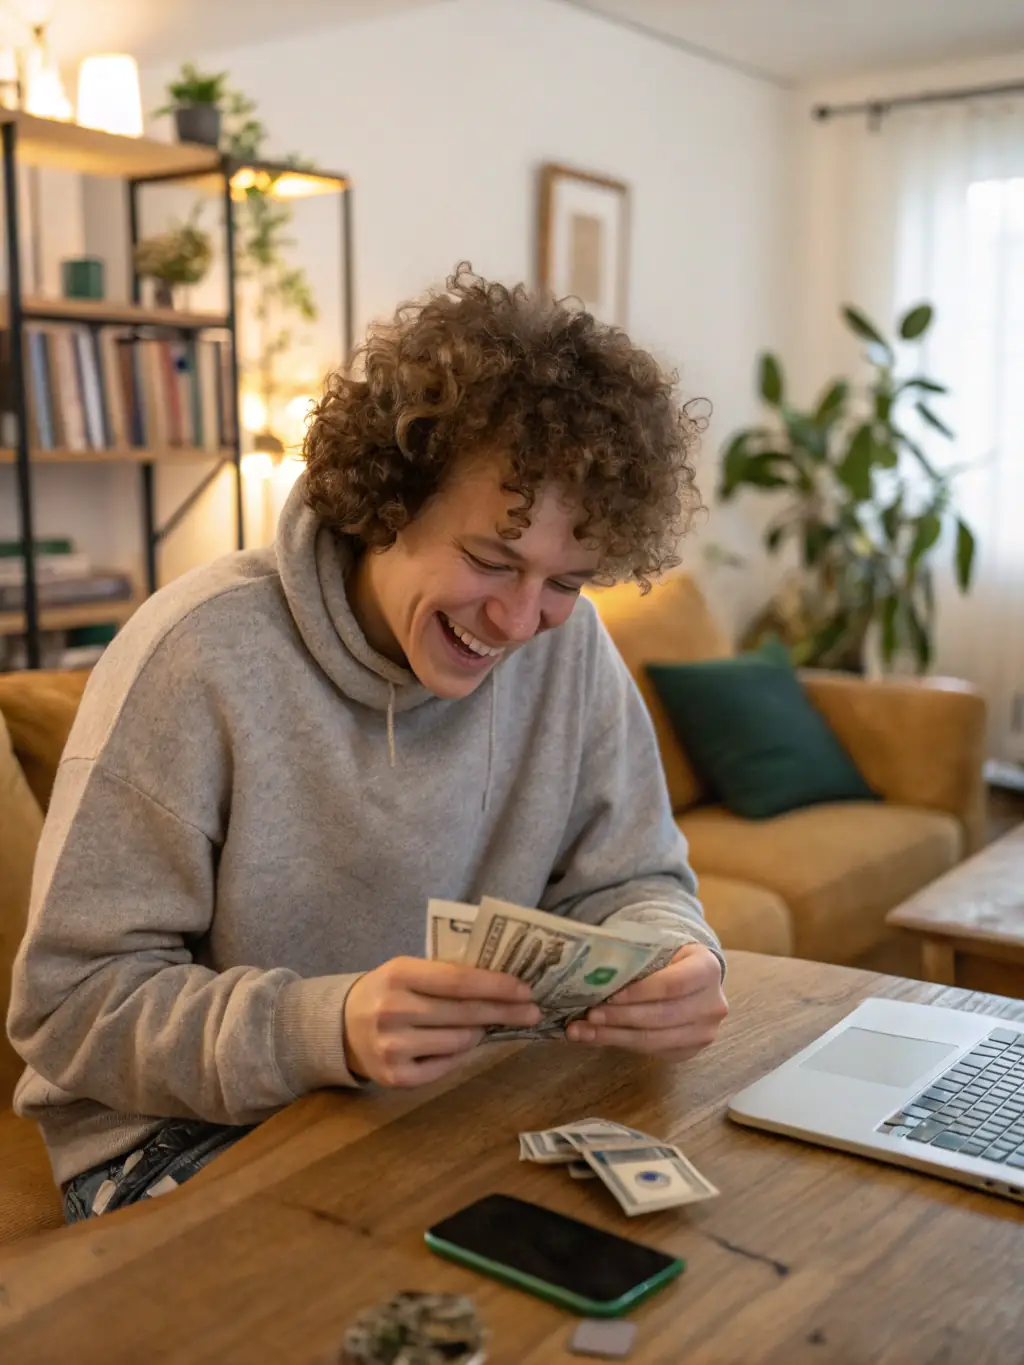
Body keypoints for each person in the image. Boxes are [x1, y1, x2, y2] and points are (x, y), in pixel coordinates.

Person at [8, 265, 727, 1223]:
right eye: (490, 560)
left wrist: (674, 954)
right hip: (174, 1135)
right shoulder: (196, 656)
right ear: (386, 502)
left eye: (566, 581)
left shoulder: (572, 650)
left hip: (436, 1097)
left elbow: (637, 877)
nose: (521, 621)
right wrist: (324, 1026)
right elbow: (69, 1004)